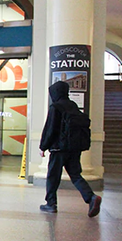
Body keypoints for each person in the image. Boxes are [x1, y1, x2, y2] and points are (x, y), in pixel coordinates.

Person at [38, 80, 101, 217]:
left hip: (58, 149)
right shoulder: (73, 106)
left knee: (53, 176)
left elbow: (50, 129)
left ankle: (51, 203)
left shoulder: (56, 107)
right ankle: (91, 197)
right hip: (74, 148)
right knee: (76, 175)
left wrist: (43, 146)